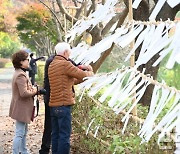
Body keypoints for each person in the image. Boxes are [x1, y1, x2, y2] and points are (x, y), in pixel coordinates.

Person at [48, 42, 94, 154]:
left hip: (53, 105)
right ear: (65, 52)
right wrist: (89, 70)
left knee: (56, 135)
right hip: (63, 105)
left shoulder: (52, 64)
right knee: (64, 136)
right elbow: (82, 75)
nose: (70, 54)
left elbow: (70, 81)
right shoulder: (65, 64)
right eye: (69, 52)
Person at [9, 50, 38, 154]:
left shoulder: (19, 72)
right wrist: (36, 90)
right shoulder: (20, 75)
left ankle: (24, 151)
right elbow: (24, 93)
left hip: (22, 107)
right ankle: (16, 152)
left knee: (23, 132)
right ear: (21, 61)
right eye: (27, 60)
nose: (29, 61)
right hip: (21, 108)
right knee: (20, 133)